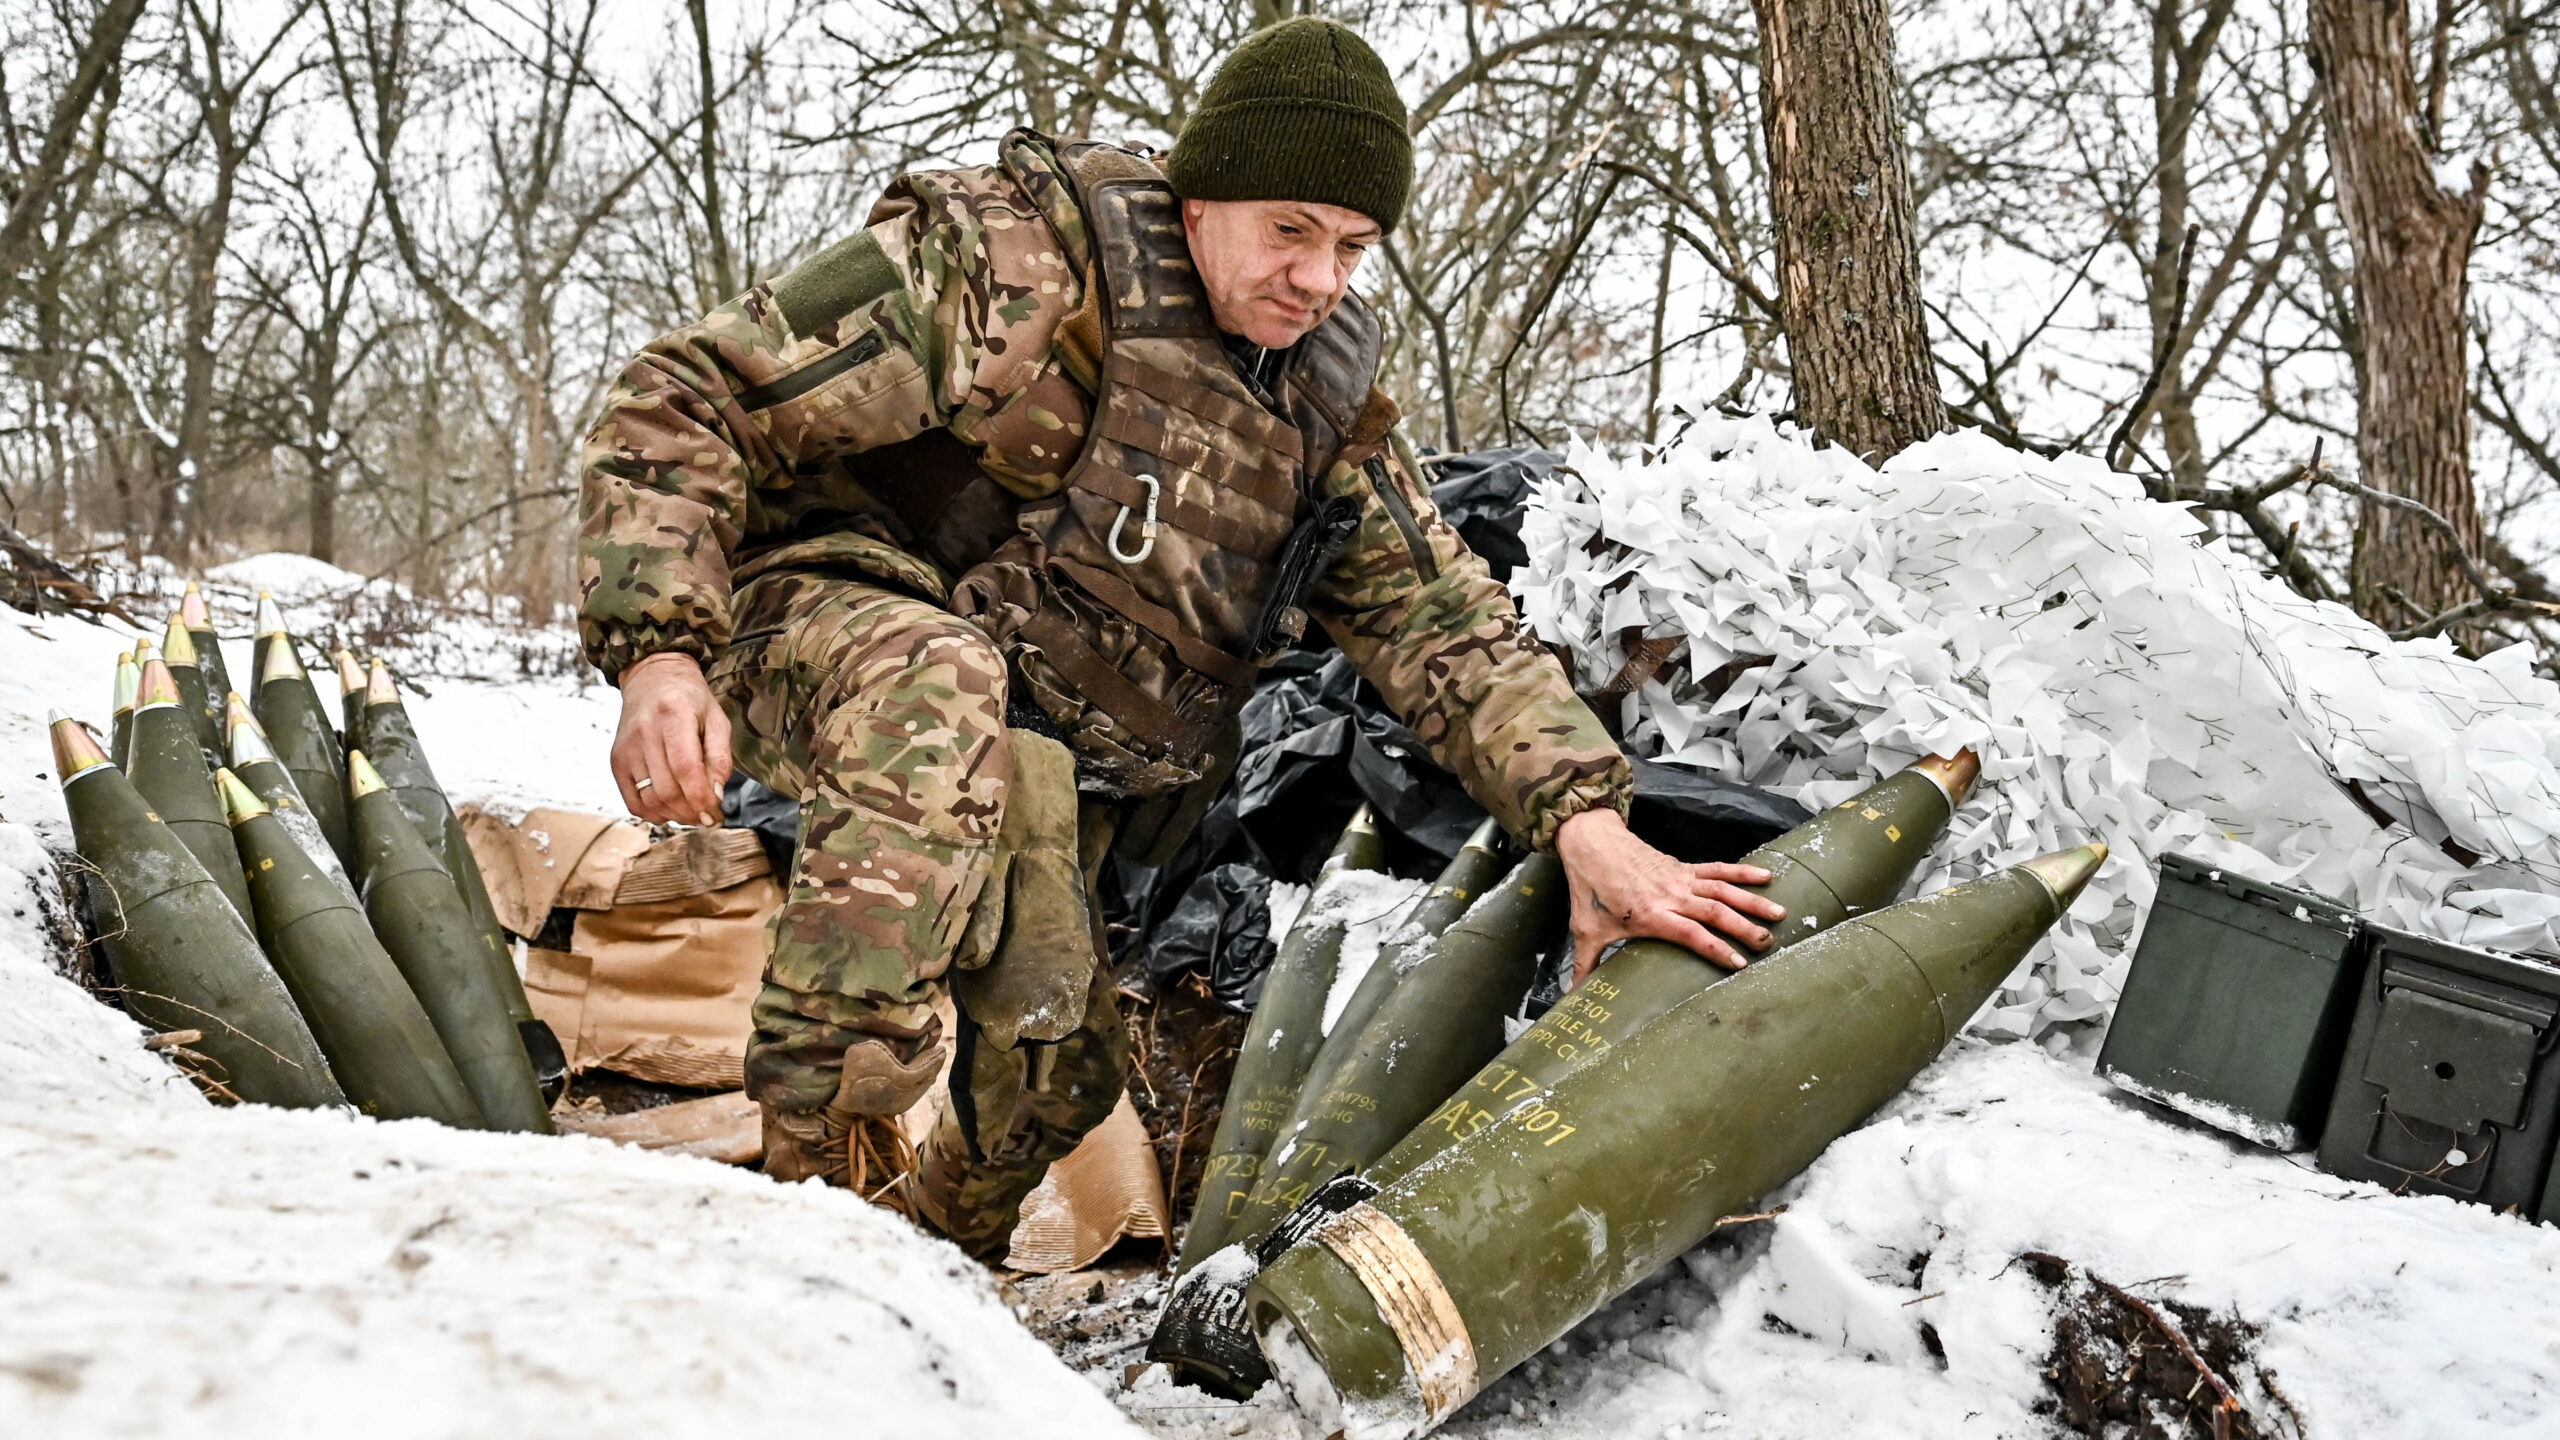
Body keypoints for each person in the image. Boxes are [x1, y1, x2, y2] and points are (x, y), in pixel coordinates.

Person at [576, 16, 1782, 1258]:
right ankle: (803, 1227)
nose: (1317, 278)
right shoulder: (1011, 266)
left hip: (1017, 746)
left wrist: (1588, 823)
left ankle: (932, 1264)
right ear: (1199, 199)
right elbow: (688, 392)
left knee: (1055, 1070)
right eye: (1289, 230)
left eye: (1352, 246)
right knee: (934, 684)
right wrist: (659, 649)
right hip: (819, 626)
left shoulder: (1318, 408)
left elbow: (1444, 624)